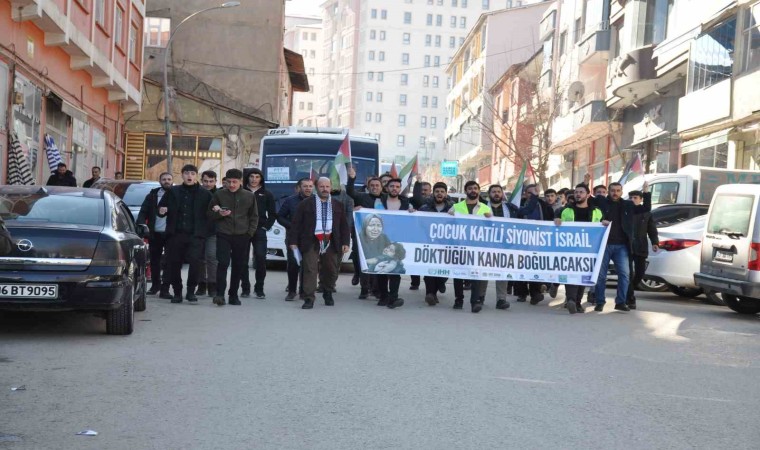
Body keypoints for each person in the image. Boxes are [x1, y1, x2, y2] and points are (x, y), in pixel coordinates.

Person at [288, 177, 350, 310]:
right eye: (322, 186)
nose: (325, 189)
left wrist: (346, 242)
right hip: (310, 241)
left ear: (331, 187)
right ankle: (309, 298)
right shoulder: (306, 203)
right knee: (310, 269)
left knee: (331, 269)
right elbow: (296, 223)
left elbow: (344, 225)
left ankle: (328, 291)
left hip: (331, 242)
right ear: (317, 187)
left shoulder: (337, 204)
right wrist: (293, 241)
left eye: (327, 187)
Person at [592, 180, 651, 312]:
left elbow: (646, 208)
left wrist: (646, 192)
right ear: (608, 191)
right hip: (604, 245)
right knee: (601, 276)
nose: (615, 193)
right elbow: (585, 204)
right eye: (613, 190)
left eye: (618, 191)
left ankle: (621, 302)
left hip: (622, 246)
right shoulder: (601, 201)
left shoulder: (628, 205)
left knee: (625, 275)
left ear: (622, 192)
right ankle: (599, 301)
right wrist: (600, 221)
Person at [157, 164, 213, 303]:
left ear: (196, 176)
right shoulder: (173, 191)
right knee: (174, 264)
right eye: (187, 173)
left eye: (192, 173)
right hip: (176, 234)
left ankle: (190, 292)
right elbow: (161, 207)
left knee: (195, 264)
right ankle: (177, 292)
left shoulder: (205, 194)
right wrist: (162, 211)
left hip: (196, 235)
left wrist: (215, 211)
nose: (189, 176)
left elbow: (211, 214)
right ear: (182, 175)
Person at [208, 169, 258, 306]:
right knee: (222, 263)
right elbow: (210, 214)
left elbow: (254, 216)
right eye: (229, 182)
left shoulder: (249, 196)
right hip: (223, 234)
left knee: (238, 265)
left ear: (240, 181)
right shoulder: (219, 194)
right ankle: (219, 294)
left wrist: (250, 233)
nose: (231, 185)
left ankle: (233, 295)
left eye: (234, 182)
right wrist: (220, 214)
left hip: (242, 235)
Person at [554, 184, 603, 314]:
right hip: (569, 249)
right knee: (570, 273)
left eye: (581, 192)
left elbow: (602, 227)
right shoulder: (566, 210)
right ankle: (571, 300)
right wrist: (557, 220)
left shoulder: (597, 211)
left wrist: (605, 224)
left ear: (587, 194)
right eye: (576, 192)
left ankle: (577, 302)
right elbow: (556, 220)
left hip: (589, 250)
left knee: (583, 276)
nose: (578, 194)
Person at [449, 180, 493, 313]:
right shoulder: (456, 207)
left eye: (475, 188)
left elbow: (492, 229)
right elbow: (446, 225)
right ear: (465, 191)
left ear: (479, 191)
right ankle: (458, 300)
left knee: (476, 275)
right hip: (459, 246)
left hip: (477, 247)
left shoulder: (486, 209)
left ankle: (475, 302)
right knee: (458, 274)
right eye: (470, 188)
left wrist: (490, 219)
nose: (473, 190)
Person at [346, 168, 385, 299]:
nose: (374, 187)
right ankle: (364, 289)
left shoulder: (386, 199)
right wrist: (352, 178)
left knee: (378, 263)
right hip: (363, 237)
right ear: (368, 187)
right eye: (372, 185)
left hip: (381, 237)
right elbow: (350, 192)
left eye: (377, 185)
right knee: (364, 262)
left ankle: (376, 289)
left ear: (381, 187)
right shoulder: (362, 197)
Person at [513, 184, 553, 305]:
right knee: (521, 267)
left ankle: (535, 293)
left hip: (540, 241)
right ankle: (522, 293)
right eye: (530, 193)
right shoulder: (519, 204)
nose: (532, 196)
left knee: (535, 267)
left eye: (535, 193)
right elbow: (524, 212)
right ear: (525, 194)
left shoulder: (544, 206)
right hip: (522, 241)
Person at [137, 172, 174, 299]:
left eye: (169, 179)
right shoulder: (152, 195)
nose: (166, 181)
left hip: (171, 234)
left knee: (169, 261)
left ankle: (166, 289)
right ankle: (155, 285)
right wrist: (142, 224)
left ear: (172, 181)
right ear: (160, 181)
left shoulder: (176, 194)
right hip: (155, 233)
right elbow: (143, 211)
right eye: (164, 179)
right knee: (154, 261)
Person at [241, 168, 277, 298]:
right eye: (252, 176)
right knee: (243, 260)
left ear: (261, 178)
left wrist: (266, 227)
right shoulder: (241, 192)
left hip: (259, 230)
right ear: (247, 178)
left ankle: (259, 288)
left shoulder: (267, 194)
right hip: (243, 230)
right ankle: (245, 288)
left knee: (261, 258)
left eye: (257, 177)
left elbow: (273, 214)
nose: (254, 179)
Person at [277, 178, 315, 300]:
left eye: (310, 186)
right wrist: (292, 226)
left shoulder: (316, 201)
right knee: (293, 264)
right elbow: (280, 217)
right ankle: (292, 291)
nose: (308, 188)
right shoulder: (290, 200)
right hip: (293, 238)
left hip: (310, 238)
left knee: (307, 265)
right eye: (305, 186)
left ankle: (304, 291)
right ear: (299, 188)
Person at [420, 182, 454, 306]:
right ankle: (430, 294)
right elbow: (418, 223)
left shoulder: (453, 208)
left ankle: (440, 284)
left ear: (446, 193)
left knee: (443, 271)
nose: (439, 194)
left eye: (442, 191)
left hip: (446, 245)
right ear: (433, 193)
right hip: (429, 244)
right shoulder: (425, 208)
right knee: (429, 270)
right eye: (437, 191)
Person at [627, 190, 659, 309]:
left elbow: (652, 229)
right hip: (627, 246)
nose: (632, 200)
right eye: (630, 197)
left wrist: (655, 242)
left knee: (640, 273)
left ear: (640, 199)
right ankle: (630, 298)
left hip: (641, 246)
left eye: (635, 197)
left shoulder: (646, 213)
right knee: (628, 273)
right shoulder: (626, 211)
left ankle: (628, 289)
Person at [197, 170, 219, 297]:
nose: (208, 184)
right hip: (198, 231)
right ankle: (201, 285)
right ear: (201, 181)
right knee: (200, 259)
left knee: (211, 257)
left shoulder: (220, 194)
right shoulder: (197, 193)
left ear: (216, 181)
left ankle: (212, 285)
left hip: (213, 231)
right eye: (205, 181)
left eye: (211, 181)